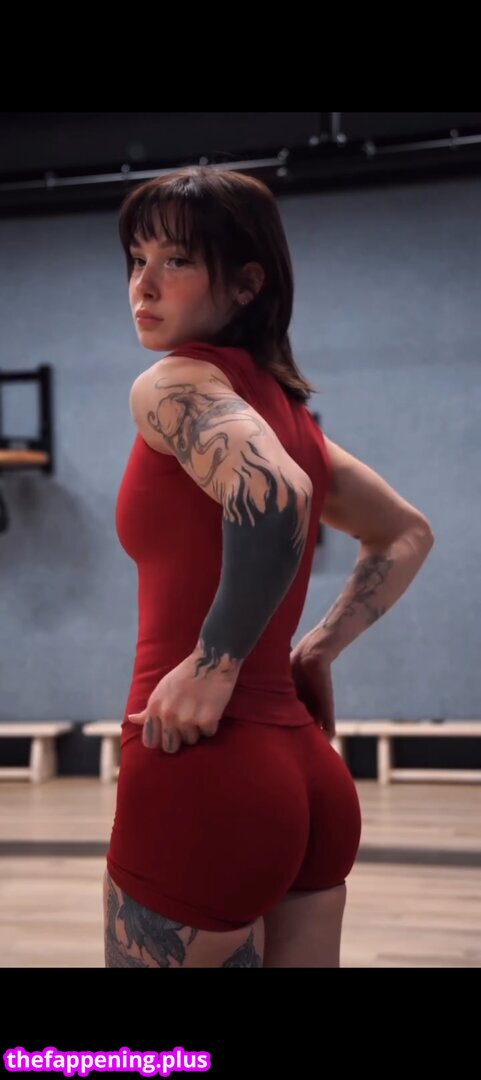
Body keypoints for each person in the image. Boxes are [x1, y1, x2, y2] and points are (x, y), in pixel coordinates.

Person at [104, 166, 435, 968]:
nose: (143, 285)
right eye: (136, 260)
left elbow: (277, 496)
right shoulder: (288, 415)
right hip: (305, 776)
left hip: (200, 765)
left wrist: (215, 662)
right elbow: (404, 533)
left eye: (176, 261)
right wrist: (316, 650)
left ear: (248, 283)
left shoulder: (175, 383)